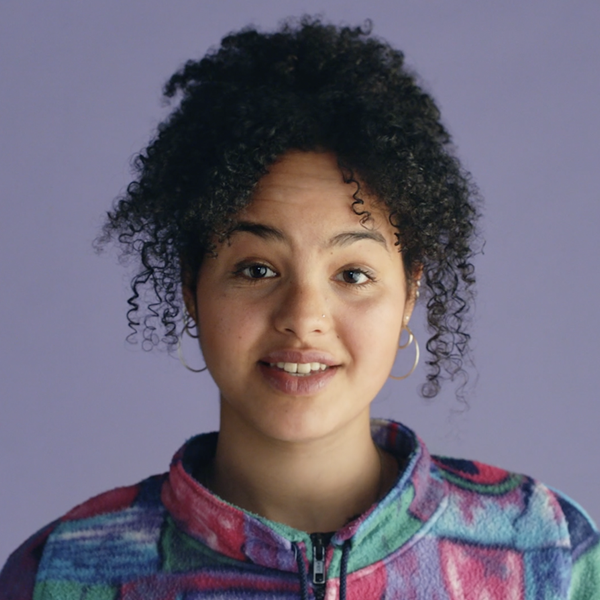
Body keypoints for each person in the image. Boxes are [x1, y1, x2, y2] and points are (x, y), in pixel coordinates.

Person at [1, 16, 598, 600]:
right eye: (256, 269)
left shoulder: (546, 550)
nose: (304, 315)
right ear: (192, 286)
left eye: (353, 275)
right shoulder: (63, 571)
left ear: (409, 293)